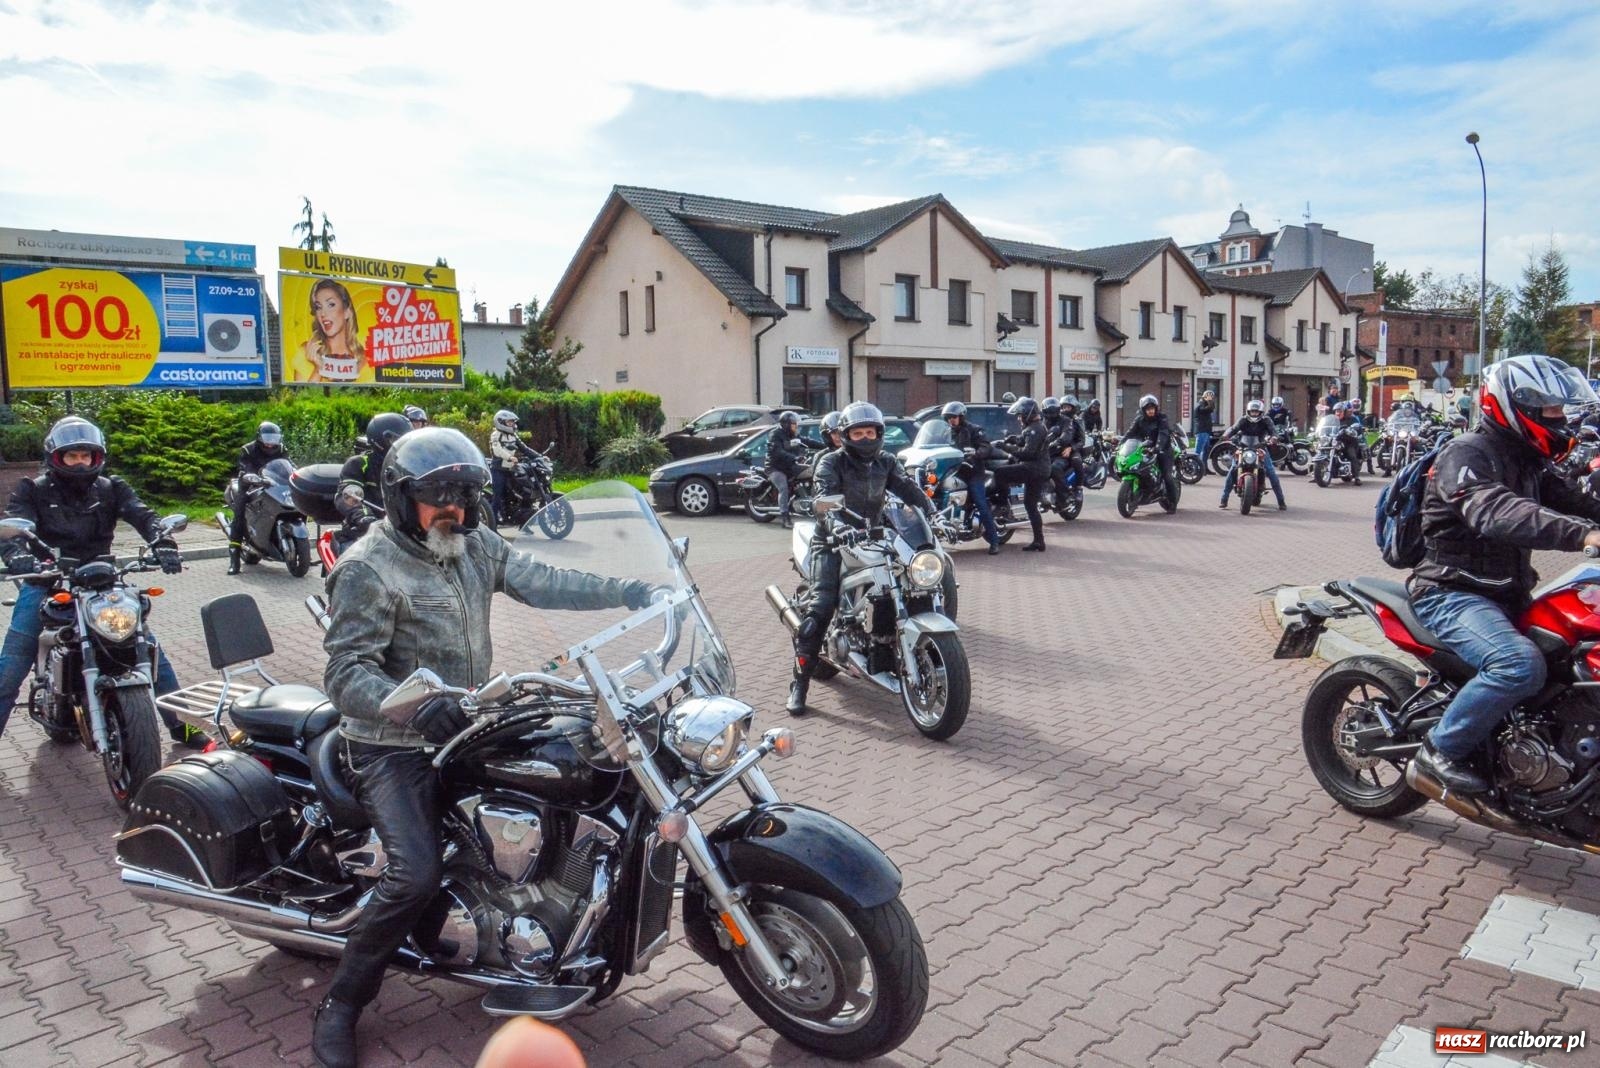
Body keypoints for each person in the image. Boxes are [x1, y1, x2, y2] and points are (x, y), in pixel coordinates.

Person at [313, 428, 664, 1068]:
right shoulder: (369, 566)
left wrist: (629, 590)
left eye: (467, 494)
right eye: (439, 494)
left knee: (580, 775)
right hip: (394, 742)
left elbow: (544, 577)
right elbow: (343, 673)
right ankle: (342, 1001)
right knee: (413, 872)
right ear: (399, 497)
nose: (455, 507)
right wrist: (415, 703)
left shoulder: (473, 545)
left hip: (470, 723)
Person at [1408, 355, 1600, 795]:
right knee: (1518, 665)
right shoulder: (1466, 454)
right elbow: (1496, 511)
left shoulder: (1528, 460)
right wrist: (1584, 536)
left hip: (1506, 592)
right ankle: (1438, 752)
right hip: (1450, 592)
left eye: (1560, 410)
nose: (1560, 419)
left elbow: (1578, 502)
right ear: (1515, 407)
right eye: (1550, 410)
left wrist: (1592, 519)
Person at [0, 418, 196, 744]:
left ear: (97, 457)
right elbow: (12, 528)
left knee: (146, 646)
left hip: (101, 581)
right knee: (10, 669)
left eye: (85, 456)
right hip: (48, 579)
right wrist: (17, 554)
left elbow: (143, 515)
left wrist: (162, 542)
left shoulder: (111, 488)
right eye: (72, 456)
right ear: (56, 457)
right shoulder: (32, 490)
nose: (80, 462)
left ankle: (181, 726)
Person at [788, 402, 935, 714]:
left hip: (875, 536)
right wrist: (837, 526)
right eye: (859, 433)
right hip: (831, 541)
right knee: (821, 608)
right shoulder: (830, 462)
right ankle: (799, 685)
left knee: (913, 584)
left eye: (871, 432)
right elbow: (823, 498)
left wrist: (930, 512)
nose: (866, 438)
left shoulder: (886, 462)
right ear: (846, 435)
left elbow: (907, 489)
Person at [336, 412, 411, 552]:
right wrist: (363, 517)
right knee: (352, 563)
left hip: (402, 533)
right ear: (380, 440)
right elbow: (348, 495)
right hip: (363, 532)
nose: (401, 445)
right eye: (396, 440)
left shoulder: (408, 467)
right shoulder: (358, 464)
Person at [227, 421, 292, 575]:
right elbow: (245, 466)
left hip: (273, 484)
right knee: (239, 514)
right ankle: (234, 559)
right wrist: (250, 476)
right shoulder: (248, 450)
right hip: (250, 483)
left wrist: (297, 474)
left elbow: (288, 465)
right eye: (267, 438)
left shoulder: (282, 449)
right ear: (259, 437)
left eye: (274, 438)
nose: (270, 443)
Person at [992, 397, 1051, 552]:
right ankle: (1039, 541)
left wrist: (1005, 447)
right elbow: (1025, 440)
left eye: (1020, 415)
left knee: (1000, 473)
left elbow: (1027, 453)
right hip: (1039, 470)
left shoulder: (1035, 429)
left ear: (1028, 414)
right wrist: (1014, 439)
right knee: (1030, 505)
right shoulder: (1035, 427)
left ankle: (1002, 503)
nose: (1018, 418)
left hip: (1033, 469)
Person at [942, 401, 1000, 555]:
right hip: (955, 472)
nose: (951, 421)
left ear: (961, 416)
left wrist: (976, 453)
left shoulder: (974, 430)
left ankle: (994, 541)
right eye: (948, 418)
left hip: (974, 472)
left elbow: (986, 447)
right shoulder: (947, 432)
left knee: (980, 502)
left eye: (953, 417)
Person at [1217, 399, 1287, 511]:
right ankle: (1224, 499)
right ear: (1248, 411)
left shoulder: (1266, 420)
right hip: (1243, 447)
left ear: (1260, 412)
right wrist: (1226, 435)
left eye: (1256, 412)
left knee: (1271, 472)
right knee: (1232, 471)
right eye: (1252, 411)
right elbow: (1233, 429)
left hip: (1260, 447)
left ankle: (1281, 501)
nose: (1254, 414)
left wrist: (1274, 438)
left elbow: (1273, 431)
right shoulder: (1243, 420)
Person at [293, 278, 366, 384]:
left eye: (331, 305)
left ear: (347, 311)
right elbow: (302, 398)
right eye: (318, 307)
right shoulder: (305, 353)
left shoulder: (364, 359)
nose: (323, 314)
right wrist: (318, 370)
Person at [1121, 394, 1178, 504]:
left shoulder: (1162, 418)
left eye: (1152, 408)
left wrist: (1158, 447)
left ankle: (1172, 503)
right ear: (1143, 410)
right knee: (1136, 468)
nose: (1151, 411)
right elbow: (1131, 432)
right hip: (1146, 448)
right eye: (1148, 409)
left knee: (1167, 476)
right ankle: (1142, 490)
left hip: (1163, 449)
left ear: (1156, 408)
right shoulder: (1139, 419)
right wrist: (1121, 443)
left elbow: (1163, 433)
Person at [765, 411, 813, 529]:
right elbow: (778, 452)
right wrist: (795, 457)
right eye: (794, 424)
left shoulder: (793, 435)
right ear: (786, 424)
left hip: (789, 466)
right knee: (783, 487)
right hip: (775, 467)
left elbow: (806, 441)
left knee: (810, 473)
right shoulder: (775, 435)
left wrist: (826, 445)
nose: (796, 426)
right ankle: (785, 518)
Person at [488, 409, 528, 525]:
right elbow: (497, 450)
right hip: (498, 470)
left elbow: (524, 448)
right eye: (509, 422)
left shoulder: (513, 435)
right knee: (498, 495)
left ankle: (522, 521)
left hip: (510, 470)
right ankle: (492, 524)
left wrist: (539, 457)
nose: (512, 424)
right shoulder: (495, 435)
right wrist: (509, 457)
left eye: (512, 422)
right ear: (501, 422)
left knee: (517, 494)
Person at [1048, 397, 1088, 505]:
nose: (1065, 409)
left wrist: (1071, 448)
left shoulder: (1077, 421)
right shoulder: (1057, 420)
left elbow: (1081, 441)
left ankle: (1078, 488)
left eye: (1068, 407)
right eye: (1063, 407)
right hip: (1057, 448)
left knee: (1076, 461)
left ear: (1074, 408)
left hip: (1072, 448)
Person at [1335, 401, 1365, 485]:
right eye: (1336, 411)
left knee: (1351, 455)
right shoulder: (1334, 420)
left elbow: (1358, 427)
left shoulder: (1352, 419)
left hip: (1349, 442)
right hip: (1336, 442)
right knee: (1320, 451)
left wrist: (1352, 429)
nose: (1337, 413)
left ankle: (1357, 477)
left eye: (1339, 411)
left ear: (1343, 411)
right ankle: (1316, 475)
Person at [1193, 390, 1217, 469]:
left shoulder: (1205, 404)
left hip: (1206, 431)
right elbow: (1208, 409)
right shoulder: (1201, 404)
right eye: (1210, 397)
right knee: (1198, 451)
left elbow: (1212, 408)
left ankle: (1204, 468)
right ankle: (1195, 468)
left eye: (1212, 398)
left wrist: (1209, 401)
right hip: (1201, 431)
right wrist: (1209, 400)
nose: (1211, 399)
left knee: (1206, 451)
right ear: (1205, 396)